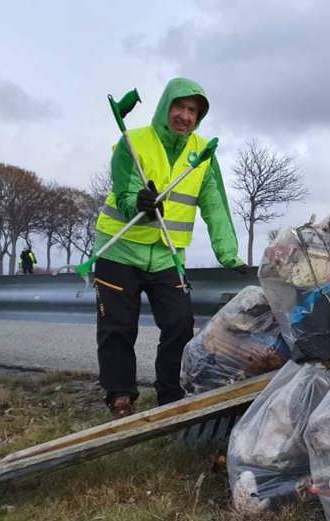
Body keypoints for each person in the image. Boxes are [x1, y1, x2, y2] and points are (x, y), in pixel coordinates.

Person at [93, 77, 244, 419]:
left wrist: (228, 254)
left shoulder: (203, 154)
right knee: (118, 327)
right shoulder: (133, 142)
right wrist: (138, 202)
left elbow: (216, 206)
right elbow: (124, 188)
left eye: (193, 111)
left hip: (166, 254)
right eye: (180, 106)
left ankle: (170, 395)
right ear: (166, 106)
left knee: (179, 322)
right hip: (120, 248)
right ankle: (120, 397)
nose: (185, 116)